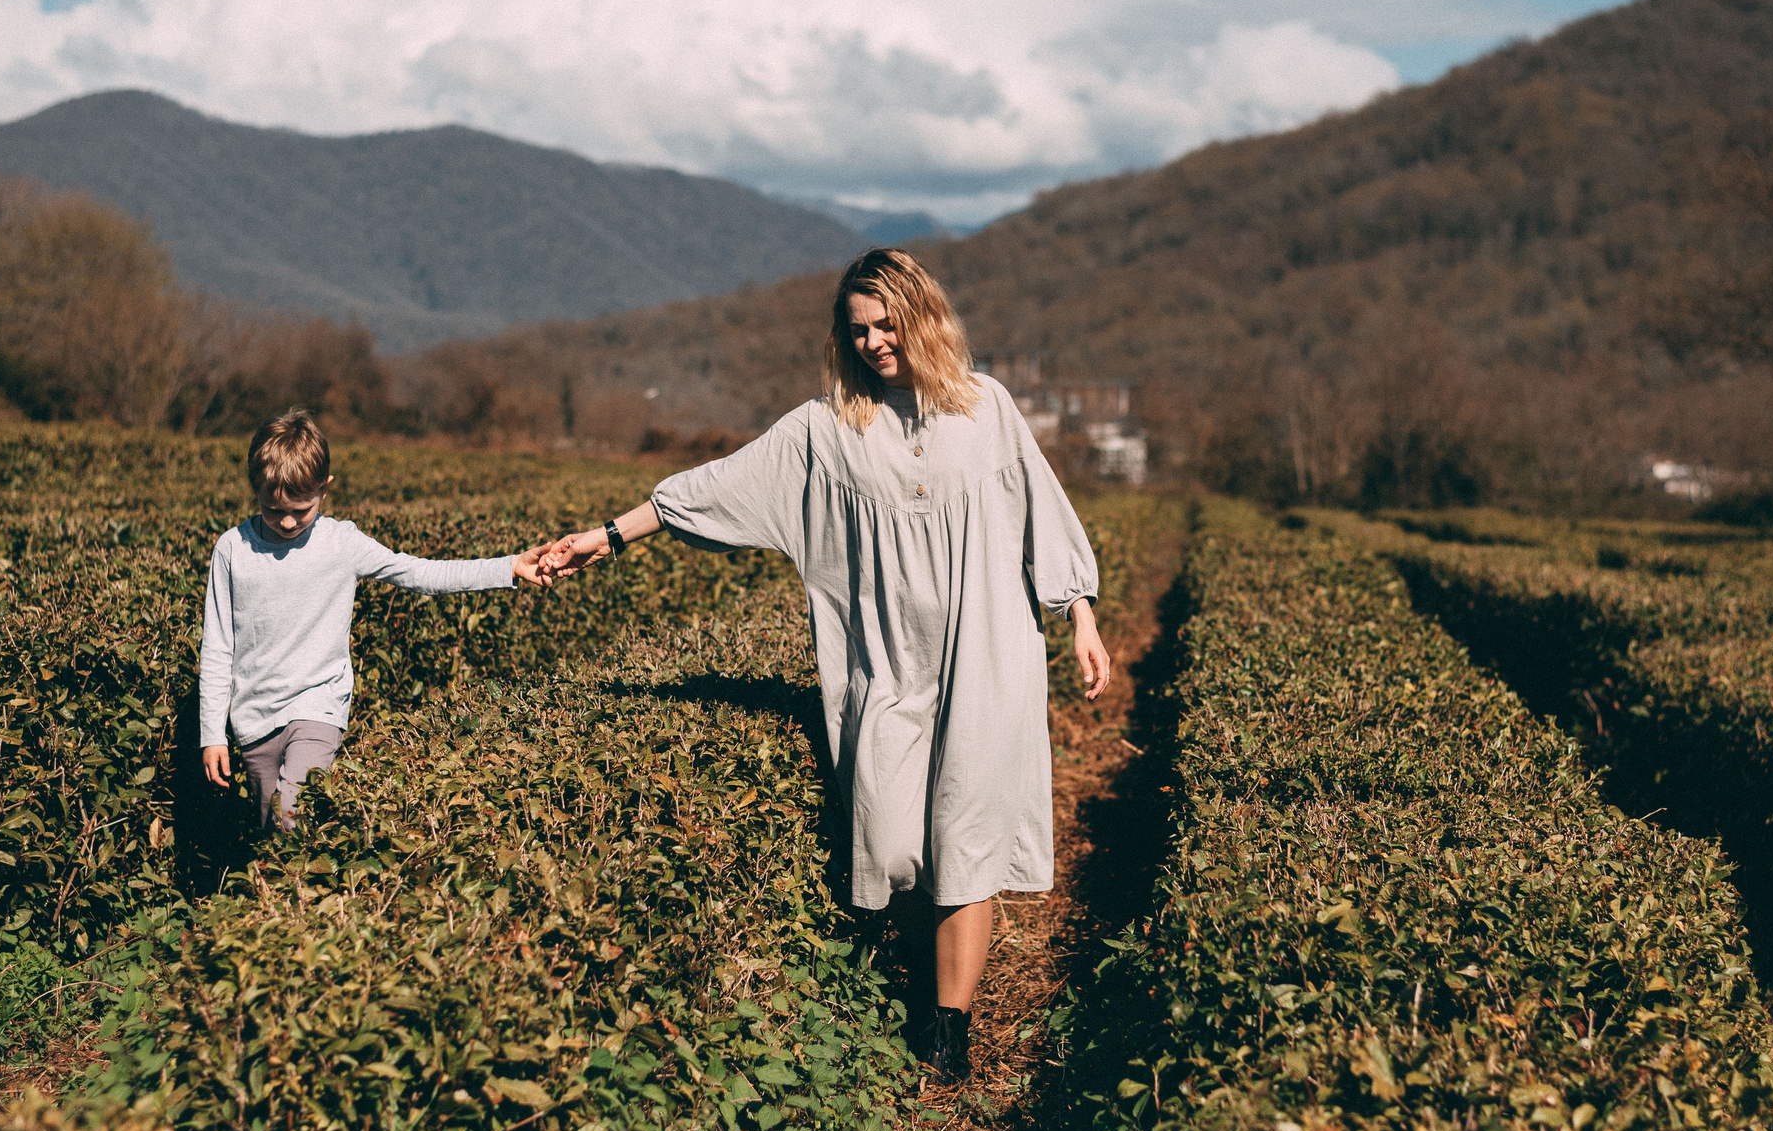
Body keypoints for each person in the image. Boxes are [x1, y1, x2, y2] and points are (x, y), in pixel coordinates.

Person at [538, 248, 1110, 1083]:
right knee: (894, 839)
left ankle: (950, 1029)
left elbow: (1041, 512)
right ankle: (928, 993)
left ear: (922, 316)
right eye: (859, 330)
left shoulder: (989, 409)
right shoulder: (828, 431)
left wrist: (1081, 617)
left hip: (988, 656)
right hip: (887, 665)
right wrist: (610, 534)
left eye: (887, 323)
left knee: (968, 838)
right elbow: (719, 484)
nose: (876, 342)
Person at [200, 408, 550, 827]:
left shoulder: (341, 543)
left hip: (318, 703)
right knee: (271, 830)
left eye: (301, 508)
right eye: (274, 510)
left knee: (290, 812)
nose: (288, 522)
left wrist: (508, 567)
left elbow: (421, 572)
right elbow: (218, 648)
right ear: (254, 489)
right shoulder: (232, 549)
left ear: (325, 489)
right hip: (254, 718)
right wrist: (212, 735)